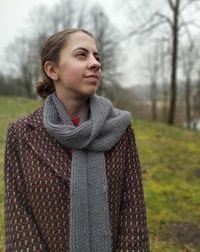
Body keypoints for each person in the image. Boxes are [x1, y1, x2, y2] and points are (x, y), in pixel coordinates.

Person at [4, 28, 149, 251]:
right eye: (82, 55)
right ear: (52, 70)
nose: (95, 63)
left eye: (97, 57)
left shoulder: (119, 129)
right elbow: (18, 216)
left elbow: (133, 214)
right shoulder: (22, 134)